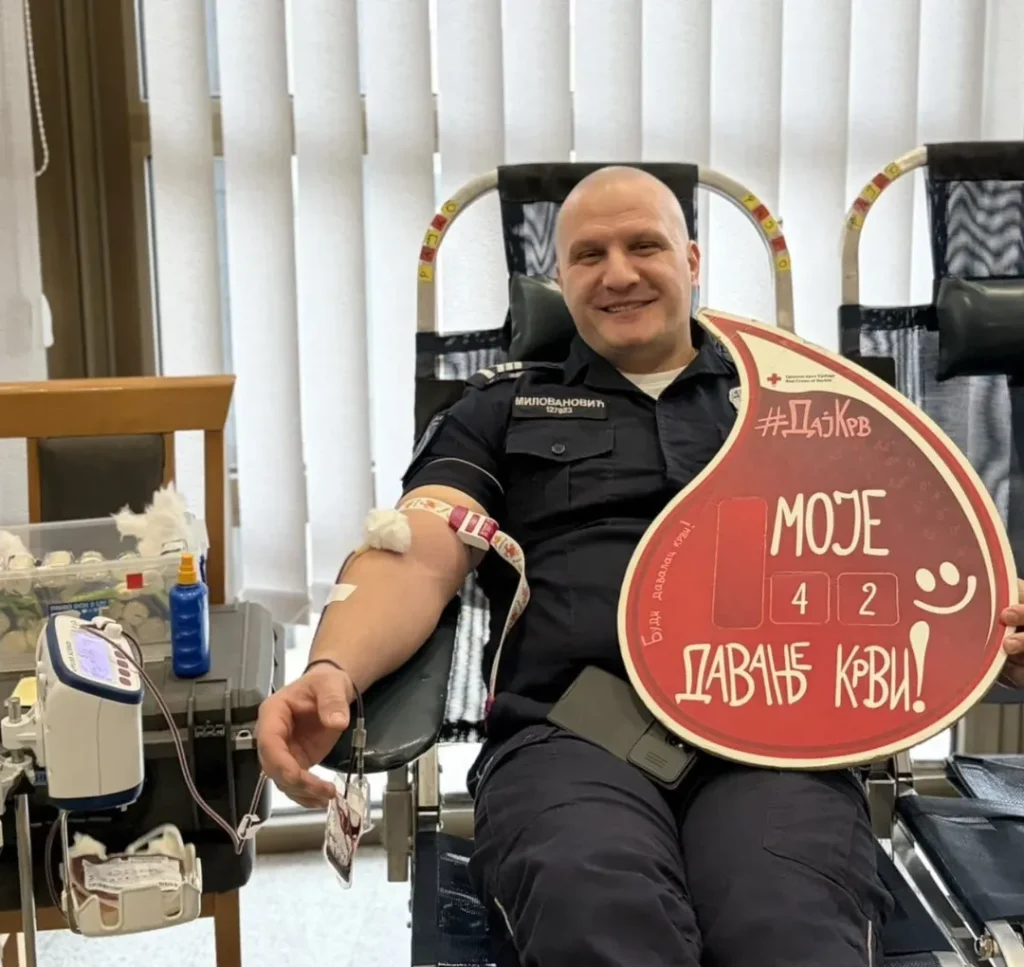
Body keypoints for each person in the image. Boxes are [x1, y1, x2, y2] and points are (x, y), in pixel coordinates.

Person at [257, 165, 1024, 966]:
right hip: (569, 734)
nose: (618, 273)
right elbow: (416, 549)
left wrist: (992, 632)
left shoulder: (810, 406)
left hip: (775, 735)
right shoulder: (501, 408)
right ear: (560, 281)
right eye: (588, 255)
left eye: (644, 246)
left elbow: (912, 553)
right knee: (599, 919)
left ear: (692, 261)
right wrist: (332, 667)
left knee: (788, 928)